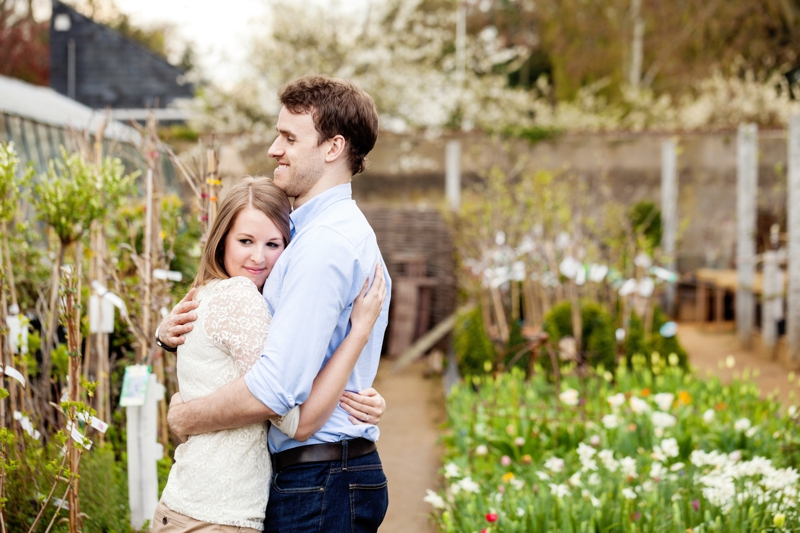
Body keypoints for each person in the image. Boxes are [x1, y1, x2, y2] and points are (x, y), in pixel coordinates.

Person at [158, 75, 391, 532]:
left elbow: (277, 391)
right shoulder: (313, 233)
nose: (273, 149)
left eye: (288, 137)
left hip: (320, 478)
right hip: (326, 474)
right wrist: (171, 335)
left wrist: (184, 415)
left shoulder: (322, 245)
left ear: (332, 148)